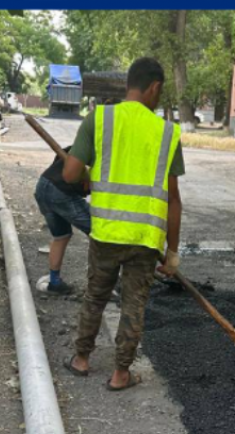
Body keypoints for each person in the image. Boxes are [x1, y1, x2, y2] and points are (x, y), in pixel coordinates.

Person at [62, 57, 185, 391]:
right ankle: (120, 374)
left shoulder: (100, 118)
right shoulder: (167, 132)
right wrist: (173, 253)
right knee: (133, 305)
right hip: (145, 239)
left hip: (106, 232)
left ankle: (81, 359)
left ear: (128, 84)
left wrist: (89, 173)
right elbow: (173, 199)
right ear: (154, 87)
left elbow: (70, 174)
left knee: (95, 296)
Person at [34, 145, 92, 295]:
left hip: (44, 184)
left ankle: (54, 282)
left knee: (61, 235)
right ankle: (102, 286)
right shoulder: (105, 148)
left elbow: (60, 157)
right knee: (98, 232)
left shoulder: (84, 142)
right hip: (62, 191)